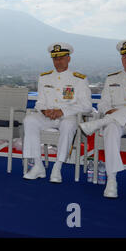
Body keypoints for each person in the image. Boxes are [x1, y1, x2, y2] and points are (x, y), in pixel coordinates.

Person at [79, 39, 126, 198]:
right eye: (124, 55)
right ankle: (112, 180)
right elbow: (103, 104)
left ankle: (100, 123)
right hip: (117, 121)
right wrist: (110, 111)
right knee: (111, 128)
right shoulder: (112, 79)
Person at [23, 43, 92, 182]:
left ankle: (57, 167)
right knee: (29, 120)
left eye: (61, 58)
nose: (58, 61)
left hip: (68, 117)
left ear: (68, 59)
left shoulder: (79, 79)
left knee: (67, 125)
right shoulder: (44, 77)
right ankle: (38, 165)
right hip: (48, 116)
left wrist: (62, 111)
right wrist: (44, 110)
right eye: (55, 58)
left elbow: (87, 106)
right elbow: (40, 102)